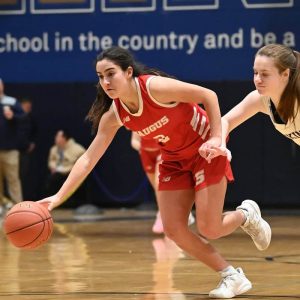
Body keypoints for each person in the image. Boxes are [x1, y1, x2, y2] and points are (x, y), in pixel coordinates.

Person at [39, 46, 271, 298]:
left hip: (206, 149)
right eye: (100, 76)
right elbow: (88, 158)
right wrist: (58, 197)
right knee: (173, 229)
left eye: (110, 73)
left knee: (210, 228)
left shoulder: (154, 87)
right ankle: (231, 276)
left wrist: (217, 138)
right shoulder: (115, 114)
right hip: (173, 158)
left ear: (128, 72)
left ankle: (246, 215)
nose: (105, 82)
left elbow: (208, 95)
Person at [221, 44, 300, 147]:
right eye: (255, 72)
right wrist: (220, 143)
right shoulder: (260, 99)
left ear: (285, 74)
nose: (257, 79)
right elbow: (225, 121)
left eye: (265, 74)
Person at [131, 132, 195, 234]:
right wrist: (140, 147)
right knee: (157, 189)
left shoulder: (158, 119)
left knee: (159, 184)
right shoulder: (137, 121)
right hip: (146, 154)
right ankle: (182, 213)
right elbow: (133, 141)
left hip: (161, 152)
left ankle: (163, 215)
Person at [0, 78, 24, 215]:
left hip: (10, 150)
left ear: (3, 86)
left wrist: (13, 116)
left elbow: (24, 119)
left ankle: (18, 208)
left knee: (13, 180)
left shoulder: (12, 102)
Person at [44, 129, 87, 207]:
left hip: (72, 174)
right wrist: (54, 167)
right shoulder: (54, 149)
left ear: (64, 138)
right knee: (51, 180)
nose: (55, 138)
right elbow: (51, 161)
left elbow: (81, 165)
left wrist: (66, 170)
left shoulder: (78, 149)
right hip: (57, 173)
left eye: (58, 136)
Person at [19, 97, 38, 200]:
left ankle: (21, 200)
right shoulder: (14, 117)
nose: (29, 109)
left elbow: (35, 131)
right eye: (27, 107)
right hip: (13, 150)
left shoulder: (30, 119)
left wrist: (32, 143)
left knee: (23, 176)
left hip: (25, 152)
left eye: (30, 107)